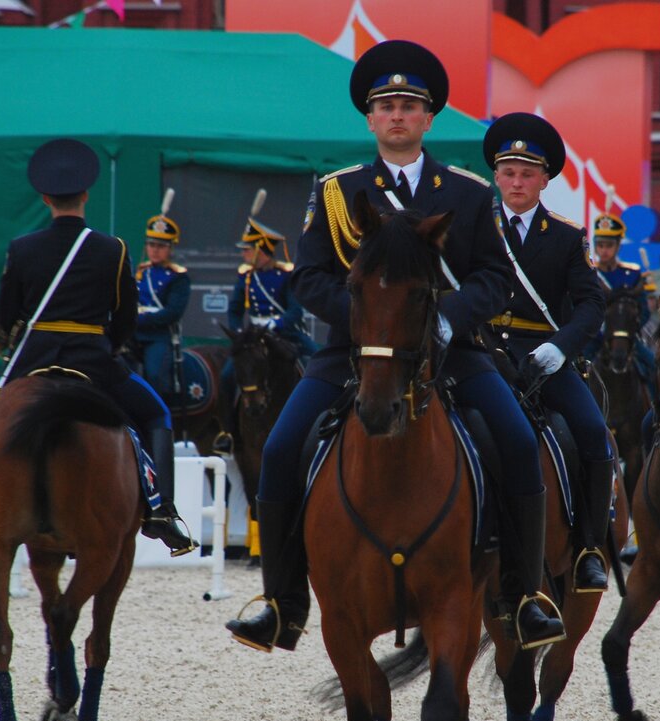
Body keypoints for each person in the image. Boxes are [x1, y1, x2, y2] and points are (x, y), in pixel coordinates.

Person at [226, 40, 563, 652]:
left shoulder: (464, 192)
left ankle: (521, 595)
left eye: (410, 105)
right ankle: (282, 601)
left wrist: (447, 319)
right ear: (370, 119)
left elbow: (494, 276)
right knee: (278, 449)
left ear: (429, 118)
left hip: (451, 350)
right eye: (387, 106)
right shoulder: (336, 191)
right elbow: (309, 277)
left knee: (516, 439)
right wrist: (366, 325)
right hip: (354, 351)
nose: (398, 115)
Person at [0, 138, 196, 557]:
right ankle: (161, 512)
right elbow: (126, 320)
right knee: (157, 413)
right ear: (85, 194)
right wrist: (107, 348)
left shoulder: (22, 248)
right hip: (92, 358)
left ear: (45, 198)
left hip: (33, 358)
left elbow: (6, 315)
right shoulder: (112, 249)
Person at [483, 112, 613, 593]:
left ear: (545, 179)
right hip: (483, 353)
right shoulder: (474, 227)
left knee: (592, 433)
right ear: (496, 176)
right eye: (509, 173)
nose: (517, 182)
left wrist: (560, 348)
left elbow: (592, 301)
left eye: (527, 174)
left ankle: (588, 548)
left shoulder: (564, 235)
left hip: (544, 357)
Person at [212, 200, 318, 455]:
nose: (244, 254)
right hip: (253, 336)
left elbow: (295, 310)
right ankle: (228, 432)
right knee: (227, 376)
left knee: (315, 360)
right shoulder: (245, 276)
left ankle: (317, 425)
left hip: (283, 334)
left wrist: (275, 323)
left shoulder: (285, 275)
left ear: (262, 249)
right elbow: (235, 309)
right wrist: (238, 331)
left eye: (248, 250)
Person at [591, 211, 658, 387]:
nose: (604, 251)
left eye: (609, 245)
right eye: (600, 245)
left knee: (653, 366)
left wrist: (630, 328)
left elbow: (643, 309)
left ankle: (655, 410)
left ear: (618, 246)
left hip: (625, 336)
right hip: (595, 336)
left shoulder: (631, 274)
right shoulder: (589, 274)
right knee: (575, 368)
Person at [134, 198, 190, 406]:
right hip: (133, 333)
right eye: (151, 244)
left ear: (170, 248)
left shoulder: (178, 276)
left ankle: (158, 419)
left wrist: (142, 319)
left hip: (158, 336)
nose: (155, 250)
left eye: (161, 245)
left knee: (154, 375)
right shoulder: (141, 271)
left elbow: (172, 312)